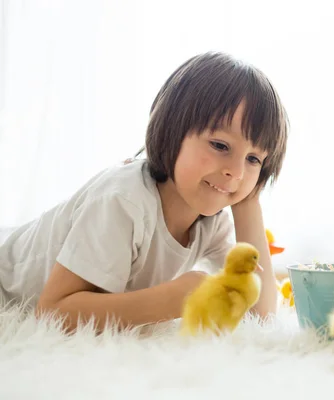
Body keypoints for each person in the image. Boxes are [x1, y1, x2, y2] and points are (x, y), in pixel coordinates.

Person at [0, 51, 288, 333]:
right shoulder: (123, 200)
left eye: (254, 159)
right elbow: (51, 312)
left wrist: (247, 200)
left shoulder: (210, 221)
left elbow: (260, 316)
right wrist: (170, 300)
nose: (236, 171)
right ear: (172, 131)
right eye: (220, 146)